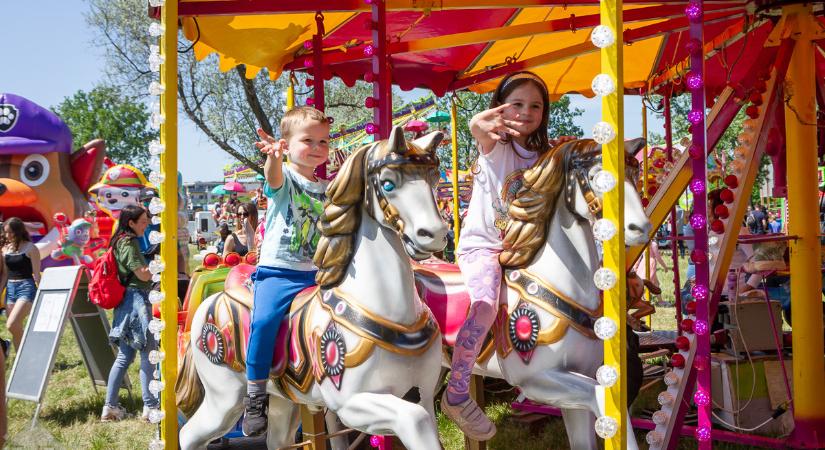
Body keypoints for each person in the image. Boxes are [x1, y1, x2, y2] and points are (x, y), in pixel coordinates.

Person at [443, 71, 558, 441]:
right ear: (499, 110)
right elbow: (477, 126)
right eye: (516, 105)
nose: (526, 112)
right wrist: (484, 120)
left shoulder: (544, 155)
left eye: (535, 106)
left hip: (526, 247)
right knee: (486, 304)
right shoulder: (496, 145)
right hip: (485, 246)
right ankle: (457, 391)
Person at [243, 106, 330, 436]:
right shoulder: (287, 177)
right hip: (279, 271)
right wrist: (274, 158)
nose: (318, 148)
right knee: (264, 321)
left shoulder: (326, 187)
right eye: (308, 140)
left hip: (315, 273)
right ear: (287, 144)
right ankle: (255, 394)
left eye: (323, 141)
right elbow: (273, 177)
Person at [101, 204, 159, 422]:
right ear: (131, 223)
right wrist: (158, 265)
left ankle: (110, 407)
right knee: (147, 354)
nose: (147, 225)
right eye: (143, 221)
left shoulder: (118, 241)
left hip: (125, 302)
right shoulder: (130, 242)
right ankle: (150, 407)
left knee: (125, 356)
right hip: (138, 302)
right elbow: (143, 275)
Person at [2, 217, 41, 351]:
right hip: (10, 289)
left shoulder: (31, 248)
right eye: (5, 232)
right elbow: (5, 274)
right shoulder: (5, 249)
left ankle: (30, 349)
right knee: (15, 329)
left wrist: (43, 295)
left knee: (12, 325)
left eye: (10, 232)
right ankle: (22, 360)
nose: (7, 235)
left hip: (26, 287)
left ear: (18, 232)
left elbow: (37, 275)